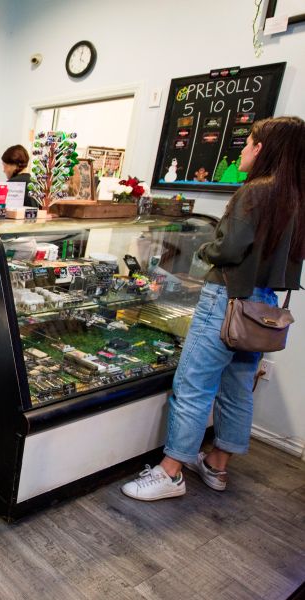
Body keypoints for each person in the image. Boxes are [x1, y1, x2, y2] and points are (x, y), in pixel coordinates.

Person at [122, 116, 305, 502]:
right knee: (238, 389)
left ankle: (171, 472)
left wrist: (203, 250)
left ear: (262, 149)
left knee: (192, 386)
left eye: (249, 142)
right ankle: (217, 464)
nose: (242, 149)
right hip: (262, 307)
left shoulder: (254, 192)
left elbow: (227, 249)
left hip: (226, 300)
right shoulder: (296, 197)